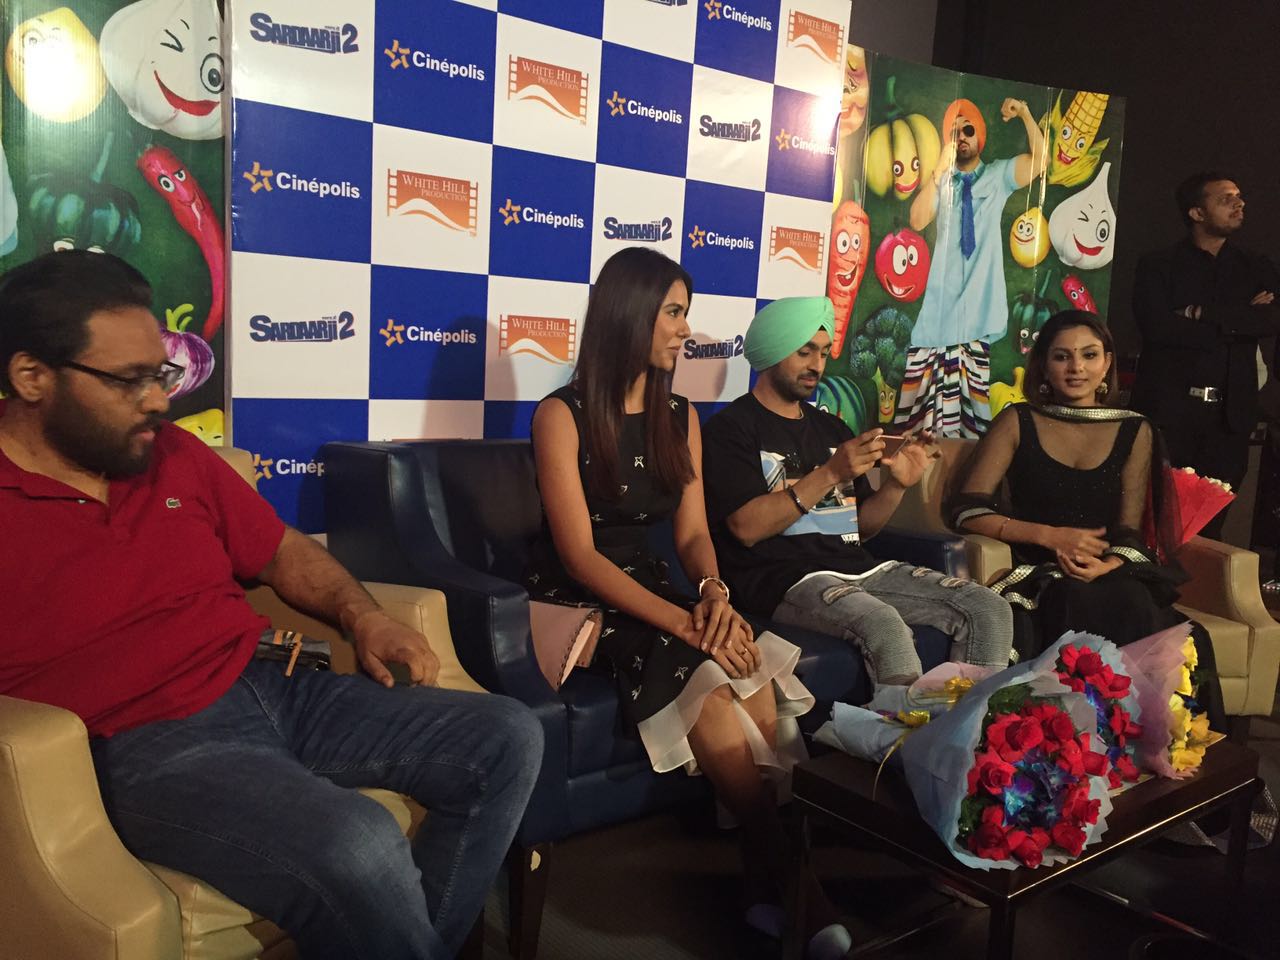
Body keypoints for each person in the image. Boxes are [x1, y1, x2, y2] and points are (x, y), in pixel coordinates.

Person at [0, 251, 542, 960]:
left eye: (162, 374)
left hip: (276, 684)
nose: (159, 401)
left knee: (506, 734)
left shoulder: (169, 454)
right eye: (129, 380)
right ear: (32, 377)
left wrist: (364, 616)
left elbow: (282, 551)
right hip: (145, 743)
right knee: (357, 841)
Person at [524, 248, 850, 959]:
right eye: (673, 313)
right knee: (707, 670)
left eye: (685, 312)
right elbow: (579, 556)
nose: (685, 329)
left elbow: (695, 534)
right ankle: (798, 886)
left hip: (656, 585)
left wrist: (713, 595)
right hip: (582, 600)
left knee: (748, 665)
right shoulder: (561, 414)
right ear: (630, 313)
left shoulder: (681, 415)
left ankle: (763, 887)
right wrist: (684, 622)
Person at [701, 295, 1014, 692]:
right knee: (884, 625)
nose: (817, 365)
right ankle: (900, 730)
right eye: (804, 352)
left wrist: (897, 485)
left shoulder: (832, 429)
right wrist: (830, 473)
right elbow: (746, 528)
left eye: (822, 352)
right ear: (774, 350)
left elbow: (861, 529)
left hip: (860, 569)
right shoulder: (730, 429)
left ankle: (969, 725)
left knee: (989, 609)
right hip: (784, 579)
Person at [949, 310, 1226, 730]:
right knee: (1073, 599)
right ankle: (1077, 738)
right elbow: (968, 510)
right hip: (1042, 571)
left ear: (1107, 363)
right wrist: (1051, 537)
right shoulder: (1019, 421)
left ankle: (1148, 737)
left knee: (1138, 605)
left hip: (1108, 569)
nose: (1076, 367)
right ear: (1043, 365)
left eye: (1089, 355)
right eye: (1062, 356)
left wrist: (1109, 564)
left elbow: (1129, 530)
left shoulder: (1136, 429)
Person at [1130, 172, 1280, 540]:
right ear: (1197, 212)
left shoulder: (1254, 265)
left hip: (1230, 419)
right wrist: (1239, 319)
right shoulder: (1158, 265)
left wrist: (1200, 313)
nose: (1239, 203)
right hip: (1171, 414)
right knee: (1157, 522)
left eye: (1239, 196)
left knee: (1211, 528)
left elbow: (1270, 319)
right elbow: (1159, 328)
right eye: (1226, 198)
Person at [900, 96, 1047, 437]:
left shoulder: (997, 176)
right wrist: (938, 170)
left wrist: (1026, 113)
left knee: (971, 422)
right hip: (938, 311)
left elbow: (1041, 161)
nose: (962, 137)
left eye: (968, 130)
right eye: (954, 133)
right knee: (917, 420)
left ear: (980, 135)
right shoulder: (942, 181)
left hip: (978, 310)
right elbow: (917, 220)